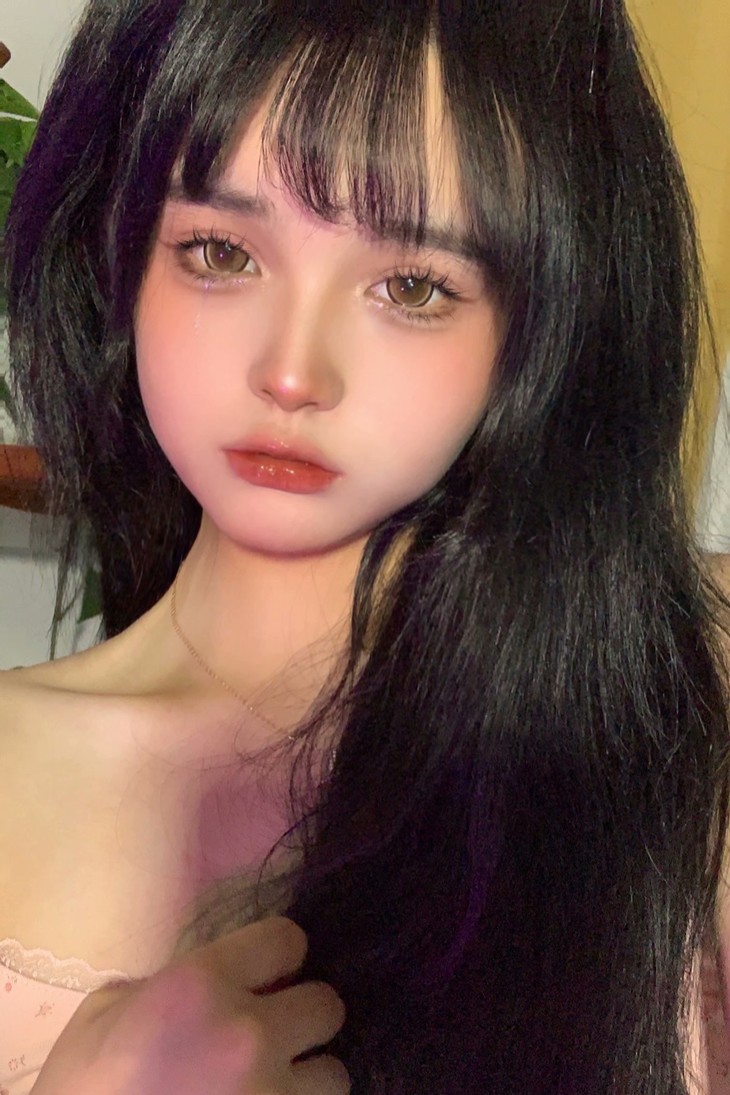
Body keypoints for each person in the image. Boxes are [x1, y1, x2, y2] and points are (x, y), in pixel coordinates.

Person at [2, 0, 729, 1092]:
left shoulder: (683, 698)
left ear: (547, 323)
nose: (293, 373)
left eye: (413, 286)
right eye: (219, 252)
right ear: (115, 256)